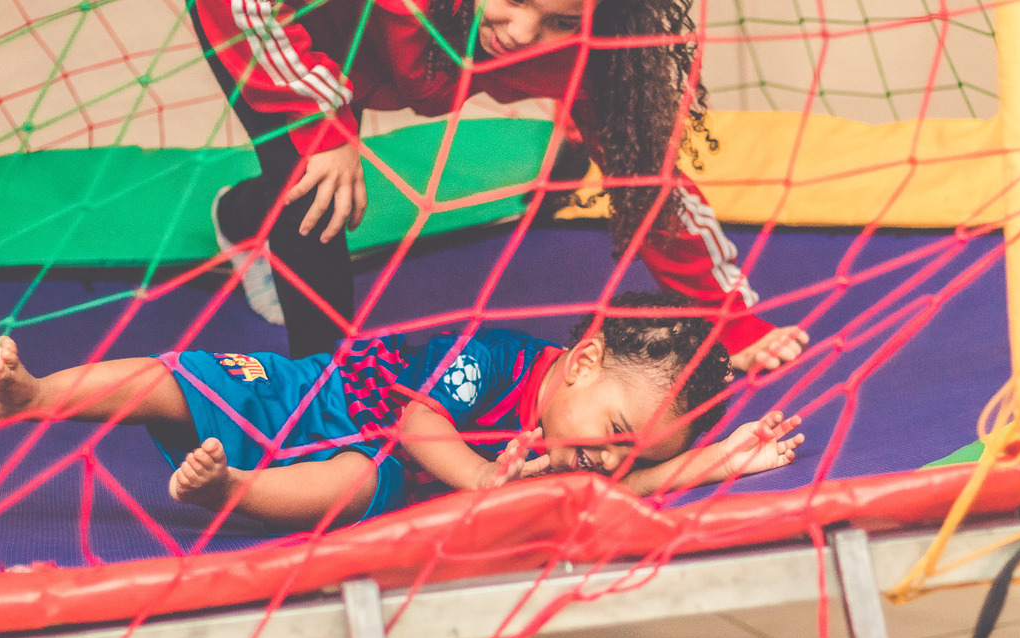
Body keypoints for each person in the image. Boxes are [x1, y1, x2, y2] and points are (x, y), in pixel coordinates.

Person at [188, 0, 810, 370]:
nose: (521, 32)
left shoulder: (582, 51)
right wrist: (320, 120)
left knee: (616, 138)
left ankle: (240, 218)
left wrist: (733, 321)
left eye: (562, 18)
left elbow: (653, 188)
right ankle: (315, 391)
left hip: (392, 69)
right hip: (287, 41)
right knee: (312, 174)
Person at [0, 292, 803, 530]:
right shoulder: (502, 358)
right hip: (315, 393)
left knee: (350, 484)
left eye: (628, 453)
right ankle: (38, 395)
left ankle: (229, 491)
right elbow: (416, 422)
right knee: (181, 378)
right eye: (613, 434)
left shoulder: (585, 446)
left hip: (368, 465)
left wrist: (723, 458)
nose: (604, 460)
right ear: (582, 362)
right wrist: (482, 476)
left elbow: (639, 484)